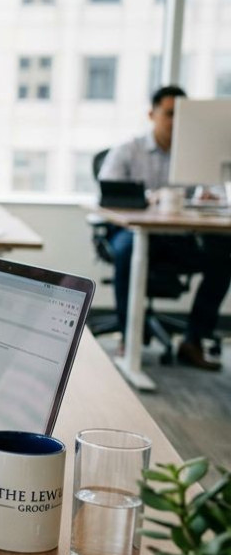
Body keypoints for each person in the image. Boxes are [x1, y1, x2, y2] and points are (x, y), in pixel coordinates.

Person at [98, 85, 230, 371]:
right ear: (152, 114)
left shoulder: (198, 155)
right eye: (170, 114)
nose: (175, 121)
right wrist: (149, 199)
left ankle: (193, 340)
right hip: (132, 232)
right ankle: (128, 338)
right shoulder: (128, 150)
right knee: (127, 251)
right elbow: (108, 194)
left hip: (179, 238)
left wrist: (209, 197)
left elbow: (219, 193)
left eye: (181, 115)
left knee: (223, 256)